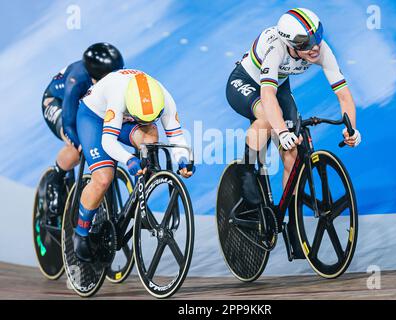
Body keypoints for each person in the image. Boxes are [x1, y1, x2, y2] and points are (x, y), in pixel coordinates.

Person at [225, 8, 362, 259]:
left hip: (278, 83)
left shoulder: (321, 49)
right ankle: (246, 169)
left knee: (293, 152)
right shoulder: (275, 49)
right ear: (289, 43)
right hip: (245, 82)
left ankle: (287, 219)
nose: (314, 48)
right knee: (267, 118)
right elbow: (267, 96)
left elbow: (343, 94)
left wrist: (351, 128)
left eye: (317, 39)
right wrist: (281, 130)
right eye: (307, 44)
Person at [73, 69, 195, 262]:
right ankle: (81, 231)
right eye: (141, 119)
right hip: (94, 117)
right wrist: (127, 159)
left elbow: (177, 137)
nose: (144, 123)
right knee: (104, 177)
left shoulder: (164, 99)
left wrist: (183, 159)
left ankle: (141, 183)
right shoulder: (118, 96)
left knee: (150, 135)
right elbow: (108, 143)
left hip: (126, 119)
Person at [41, 43, 124, 213]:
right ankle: (55, 181)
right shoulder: (77, 80)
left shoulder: (111, 76)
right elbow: (69, 123)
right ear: (96, 78)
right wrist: (82, 144)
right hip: (57, 103)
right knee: (76, 148)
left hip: (86, 105)